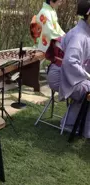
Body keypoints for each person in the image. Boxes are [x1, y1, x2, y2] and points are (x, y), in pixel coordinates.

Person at [58, 0, 90, 138]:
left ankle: (76, 123)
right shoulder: (79, 35)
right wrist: (87, 76)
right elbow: (69, 62)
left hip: (73, 76)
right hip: (62, 76)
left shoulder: (85, 33)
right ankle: (74, 125)